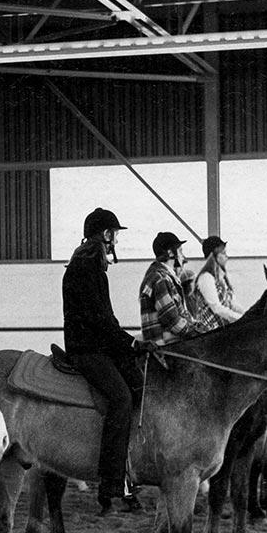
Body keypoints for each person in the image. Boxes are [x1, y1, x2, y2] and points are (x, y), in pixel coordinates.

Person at [62, 207, 153, 514]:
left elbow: (106, 319)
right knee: (121, 398)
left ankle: (131, 470)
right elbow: (101, 320)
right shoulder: (86, 268)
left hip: (98, 345)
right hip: (86, 350)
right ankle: (112, 483)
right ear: (106, 235)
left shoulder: (92, 266)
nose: (116, 241)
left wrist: (129, 345)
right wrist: (129, 342)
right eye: (114, 234)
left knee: (138, 385)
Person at [139, 231, 198, 345]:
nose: (183, 256)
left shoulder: (163, 277)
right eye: (180, 251)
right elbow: (172, 320)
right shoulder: (160, 278)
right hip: (166, 350)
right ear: (170, 252)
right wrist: (198, 332)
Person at [190, 235, 243, 331]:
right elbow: (216, 308)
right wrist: (240, 319)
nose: (226, 256)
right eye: (223, 253)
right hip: (210, 331)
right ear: (213, 256)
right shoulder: (206, 278)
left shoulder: (222, 278)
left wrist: (246, 314)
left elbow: (232, 303)